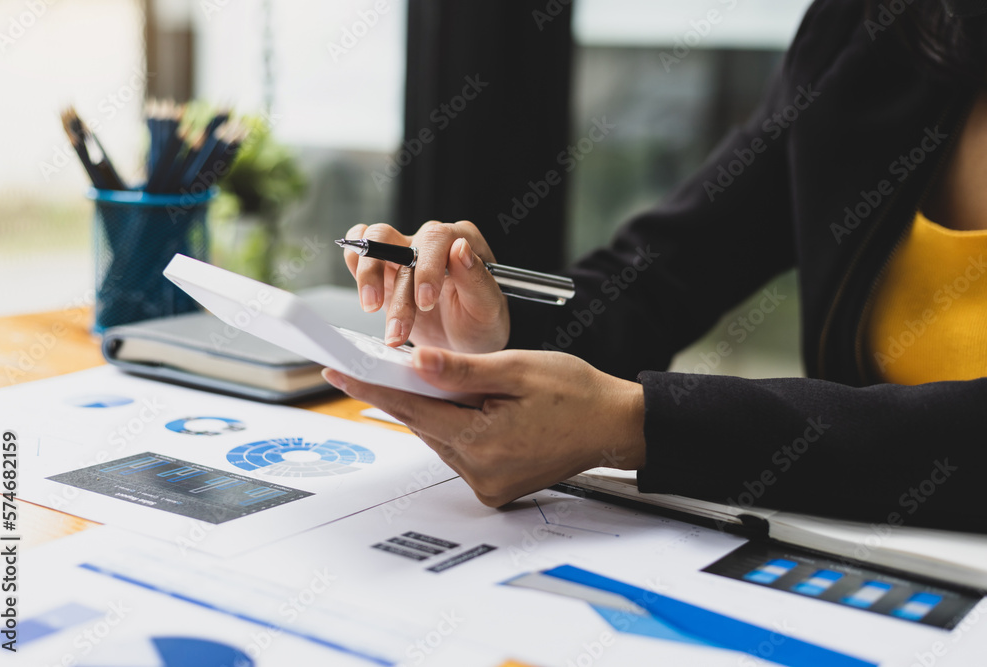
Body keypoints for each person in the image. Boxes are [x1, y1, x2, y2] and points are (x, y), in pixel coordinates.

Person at [322, 0, 987, 534]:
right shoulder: (873, 26)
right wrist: (493, 321)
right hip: (862, 550)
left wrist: (639, 423)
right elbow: (666, 268)